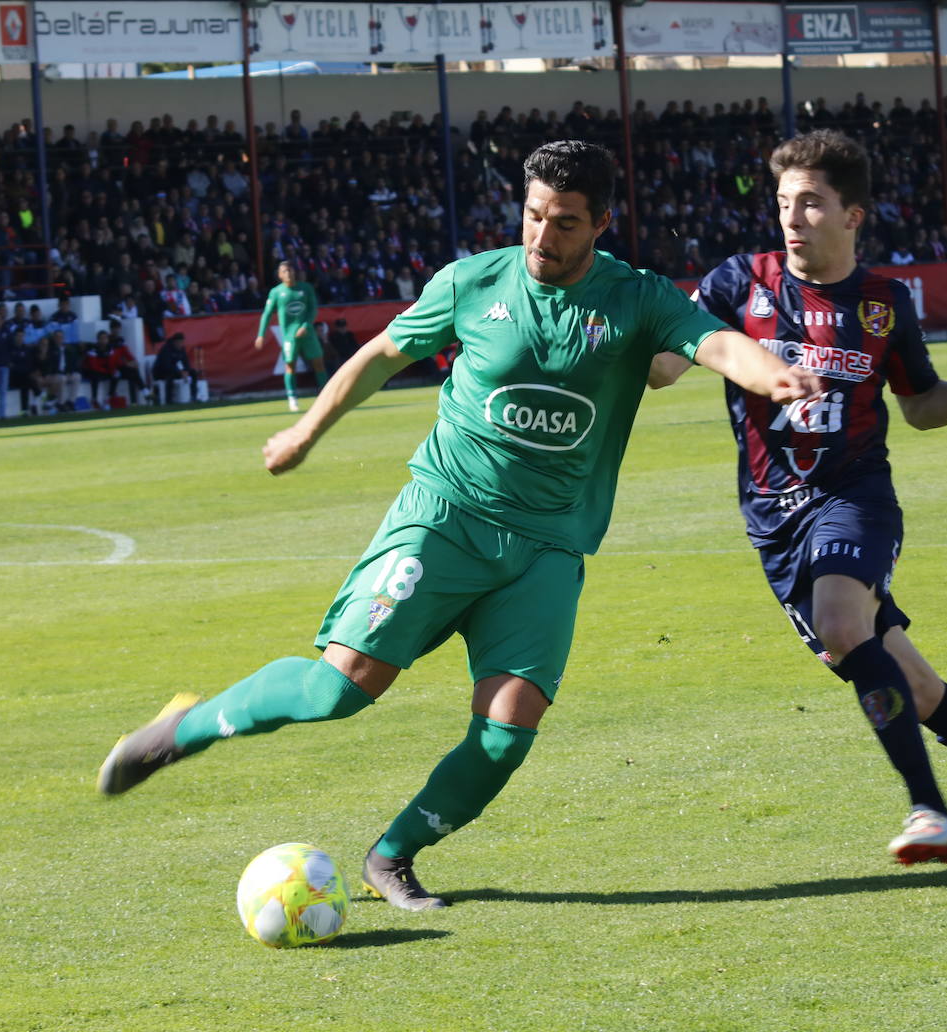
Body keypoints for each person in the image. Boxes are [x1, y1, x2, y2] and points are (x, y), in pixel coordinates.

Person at [96, 140, 813, 911]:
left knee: (508, 730)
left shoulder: (637, 298)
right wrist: (305, 433)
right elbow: (380, 355)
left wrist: (769, 374)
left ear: (602, 222)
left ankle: (394, 853)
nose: (543, 236)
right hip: (444, 520)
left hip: (547, 547)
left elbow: (713, 342)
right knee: (341, 690)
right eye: (534, 215)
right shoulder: (472, 281)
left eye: (566, 223)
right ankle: (183, 728)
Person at [650, 129, 947, 864]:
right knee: (918, 689)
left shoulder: (883, 302)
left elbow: (921, 405)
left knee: (843, 621)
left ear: (853, 215)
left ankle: (931, 811)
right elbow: (661, 368)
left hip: (856, 496)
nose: (793, 217)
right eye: (784, 203)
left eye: (811, 203)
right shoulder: (739, 280)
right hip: (774, 523)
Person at [255, 260, 322, 412]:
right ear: (280, 275)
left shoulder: (306, 288)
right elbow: (266, 314)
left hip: (308, 332)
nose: (288, 273)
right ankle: (292, 398)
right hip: (289, 336)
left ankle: (325, 394)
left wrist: (306, 325)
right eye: (284, 271)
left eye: (290, 270)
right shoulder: (276, 292)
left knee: (318, 362)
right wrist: (261, 335)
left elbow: (313, 309)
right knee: (290, 365)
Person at [152, 331, 199, 404]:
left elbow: (185, 362)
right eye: (179, 342)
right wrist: (180, 372)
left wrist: (186, 371)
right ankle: (169, 400)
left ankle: (194, 396)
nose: (181, 344)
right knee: (170, 376)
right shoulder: (166, 349)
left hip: (176, 371)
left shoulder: (182, 349)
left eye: (182, 342)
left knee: (193, 373)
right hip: (161, 373)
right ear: (174, 342)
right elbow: (166, 366)